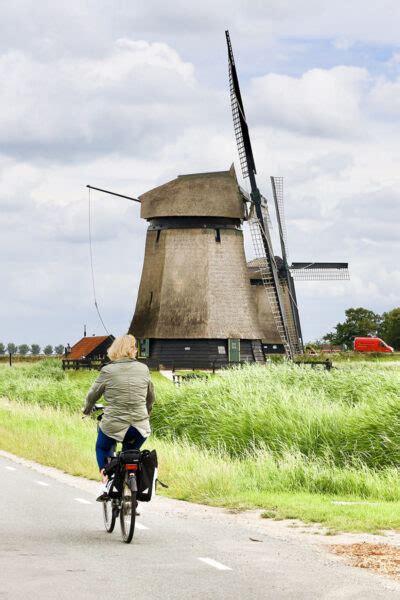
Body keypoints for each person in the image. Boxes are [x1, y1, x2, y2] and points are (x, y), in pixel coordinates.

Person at [82, 334, 155, 501]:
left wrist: (86, 410)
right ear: (131, 350)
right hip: (139, 427)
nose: (136, 349)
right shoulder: (143, 369)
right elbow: (151, 396)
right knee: (131, 452)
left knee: (102, 447)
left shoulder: (107, 370)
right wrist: (147, 412)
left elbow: (93, 394)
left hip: (113, 425)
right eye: (135, 347)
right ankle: (132, 484)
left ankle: (107, 480)